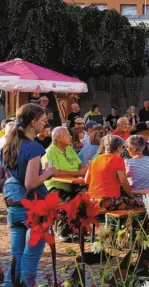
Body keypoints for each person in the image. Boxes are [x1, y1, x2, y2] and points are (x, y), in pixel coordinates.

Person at [2, 104, 57, 286]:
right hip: (34, 207)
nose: (45, 124)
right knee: (30, 258)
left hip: (15, 207)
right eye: (43, 121)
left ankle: (10, 283)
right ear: (33, 122)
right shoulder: (34, 148)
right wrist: (49, 172)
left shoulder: (10, 144)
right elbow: (31, 183)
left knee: (16, 255)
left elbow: (13, 175)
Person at [41, 127, 88, 241]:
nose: (71, 137)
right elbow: (53, 172)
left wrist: (84, 169)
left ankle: (78, 230)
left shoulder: (69, 149)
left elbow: (80, 164)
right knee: (68, 202)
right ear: (58, 138)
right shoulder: (49, 153)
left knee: (84, 199)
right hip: (55, 186)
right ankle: (63, 230)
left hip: (73, 184)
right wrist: (77, 173)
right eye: (68, 135)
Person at [85, 135, 142, 210]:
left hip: (92, 200)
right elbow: (123, 181)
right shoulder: (118, 160)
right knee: (140, 204)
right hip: (107, 201)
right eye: (122, 148)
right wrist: (133, 196)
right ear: (118, 148)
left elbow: (86, 180)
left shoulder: (94, 159)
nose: (122, 150)